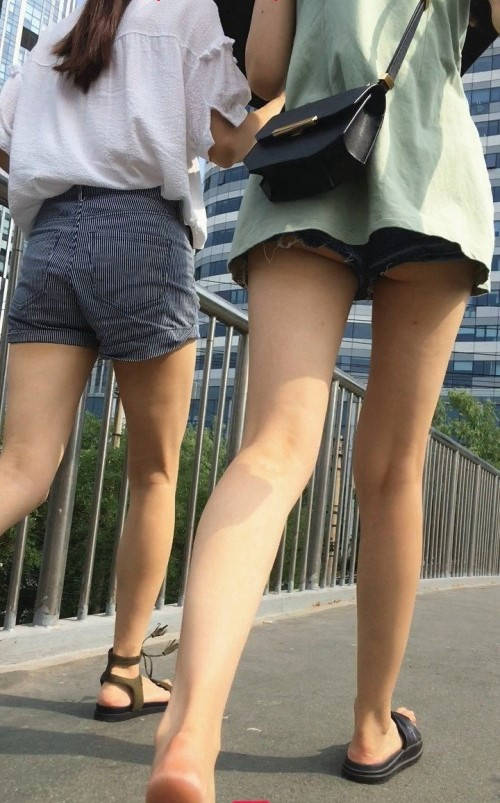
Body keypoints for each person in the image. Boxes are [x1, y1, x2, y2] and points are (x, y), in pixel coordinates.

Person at [147, 0, 496, 800]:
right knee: (393, 472)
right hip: (427, 172)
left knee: (272, 450)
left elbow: (265, 70)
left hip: (308, 162)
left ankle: (191, 731)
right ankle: (373, 724)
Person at [0, 0, 282, 722]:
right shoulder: (186, 14)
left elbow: (5, 142)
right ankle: (123, 673)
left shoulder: (57, 35)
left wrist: (64, 159)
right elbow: (227, 145)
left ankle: (127, 672)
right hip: (140, 234)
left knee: (21, 468)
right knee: (153, 473)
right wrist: (282, 101)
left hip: (49, 239)